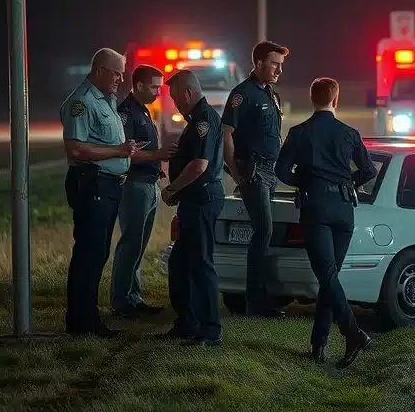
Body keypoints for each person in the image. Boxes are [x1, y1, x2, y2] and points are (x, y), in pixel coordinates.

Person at [275, 77, 376, 369]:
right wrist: (348, 182)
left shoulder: (299, 132)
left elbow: (282, 171)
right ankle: (319, 345)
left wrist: (305, 182)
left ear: (312, 99)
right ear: (336, 100)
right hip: (344, 210)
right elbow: (367, 170)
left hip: (316, 207)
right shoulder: (350, 133)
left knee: (328, 277)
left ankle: (352, 333)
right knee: (328, 278)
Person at [61, 48, 139, 337]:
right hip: (92, 184)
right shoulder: (81, 102)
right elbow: (77, 148)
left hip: (107, 186)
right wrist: (118, 151)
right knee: (89, 253)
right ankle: (82, 322)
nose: (121, 78)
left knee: (98, 252)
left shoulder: (106, 100)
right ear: (98, 71)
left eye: (122, 72)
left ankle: (87, 317)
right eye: (117, 72)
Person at [221, 40, 289, 318]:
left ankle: (261, 296)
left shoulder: (270, 93)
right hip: (254, 173)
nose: (278, 70)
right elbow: (226, 134)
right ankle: (255, 302)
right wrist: (236, 172)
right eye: (274, 64)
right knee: (264, 232)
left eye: (281, 65)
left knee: (267, 232)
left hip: (271, 172)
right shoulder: (242, 94)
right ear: (258, 63)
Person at [161, 69, 227, 346]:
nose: (175, 103)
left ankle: (210, 330)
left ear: (188, 92)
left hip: (201, 199)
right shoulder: (196, 120)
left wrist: (172, 188)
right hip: (193, 201)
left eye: (176, 97)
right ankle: (187, 322)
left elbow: (199, 165)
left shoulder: (203, 120)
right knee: (180, 263)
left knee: (200, 264)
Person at [110, 64, 176, 319]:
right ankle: (122, 300)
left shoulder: (144, 112)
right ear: (138, 85)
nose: (158, 92)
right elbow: (126, 151)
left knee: (138, 245)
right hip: (134, 187)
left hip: (148, 183)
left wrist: (155, 165)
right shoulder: (127, 113)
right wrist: (157, 155)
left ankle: (133, 298)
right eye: (154, 87)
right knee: (130, 244)